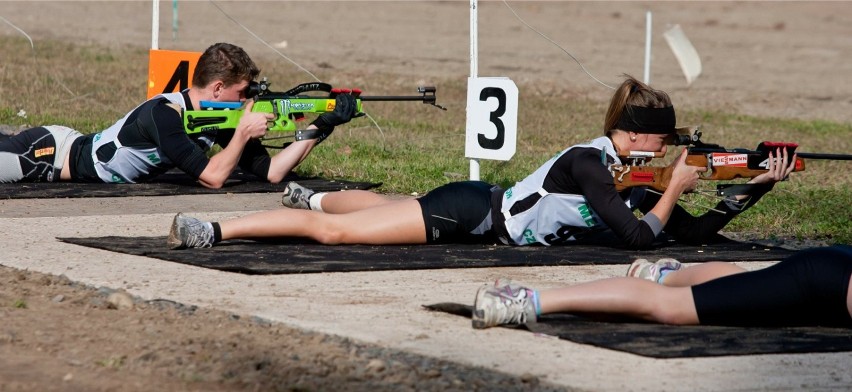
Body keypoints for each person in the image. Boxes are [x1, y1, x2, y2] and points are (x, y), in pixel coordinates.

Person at [166, 74, 795, 249]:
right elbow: (638, 235)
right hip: (474, 213)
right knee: (341, 234)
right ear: (634, 137)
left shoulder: (632, 177)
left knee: (391, 208)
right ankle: (218, 230)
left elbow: (693, 231)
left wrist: (757, 187)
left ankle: (312, 196)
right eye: (665, 143)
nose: (671, 152)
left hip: (482, 211)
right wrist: (675, 186)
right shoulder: (588, 163)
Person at [0, 42, 358, 188]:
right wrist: (242, 134)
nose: (245, 99)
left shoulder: (219, 117)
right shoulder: (164, 114)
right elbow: (213, 177)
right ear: (217, 88)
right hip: (48, 155)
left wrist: (319, 125)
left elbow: (273, 172)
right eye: (242, 92)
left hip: (61, 155)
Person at [471, 245, 852, 329]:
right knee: (672, 308)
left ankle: (665, 274)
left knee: (743, 283)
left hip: (831, 274)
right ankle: (525, 301)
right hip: (823, 283)